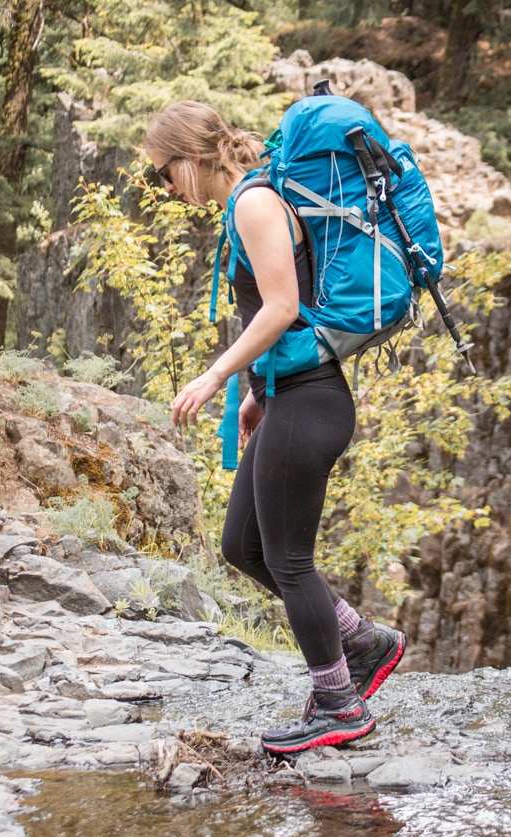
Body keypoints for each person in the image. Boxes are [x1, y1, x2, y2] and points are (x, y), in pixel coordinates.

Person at [144, 101, 406, 751]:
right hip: (287, 396)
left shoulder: (254, 203)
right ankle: (364, 641)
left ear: (191, 157)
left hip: (312, 399)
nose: (166, 189)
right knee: (243, 546)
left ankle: (340, 704)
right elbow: (270, 312)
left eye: (162, 174)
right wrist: (256, 394)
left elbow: (284, 306)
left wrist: (214, 377)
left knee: (288, 560)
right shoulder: (249, 205)